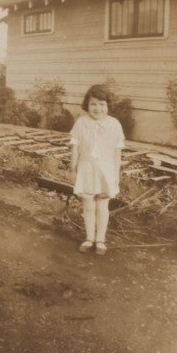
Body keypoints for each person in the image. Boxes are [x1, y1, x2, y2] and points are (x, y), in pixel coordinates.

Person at [69, 83, 126, 254]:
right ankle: (89, 238)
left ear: (108, 106)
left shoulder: (114, 124)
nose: (97, 108)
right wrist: (73, 170)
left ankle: (100, 239)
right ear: (87, 104)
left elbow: (117, 153)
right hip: (86, 170)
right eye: (93, 104)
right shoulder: (81, 123)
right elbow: (75, 147)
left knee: (102, 206)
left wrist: (116, 175)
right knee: (88, 206)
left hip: (106, 172)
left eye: (102, 104)